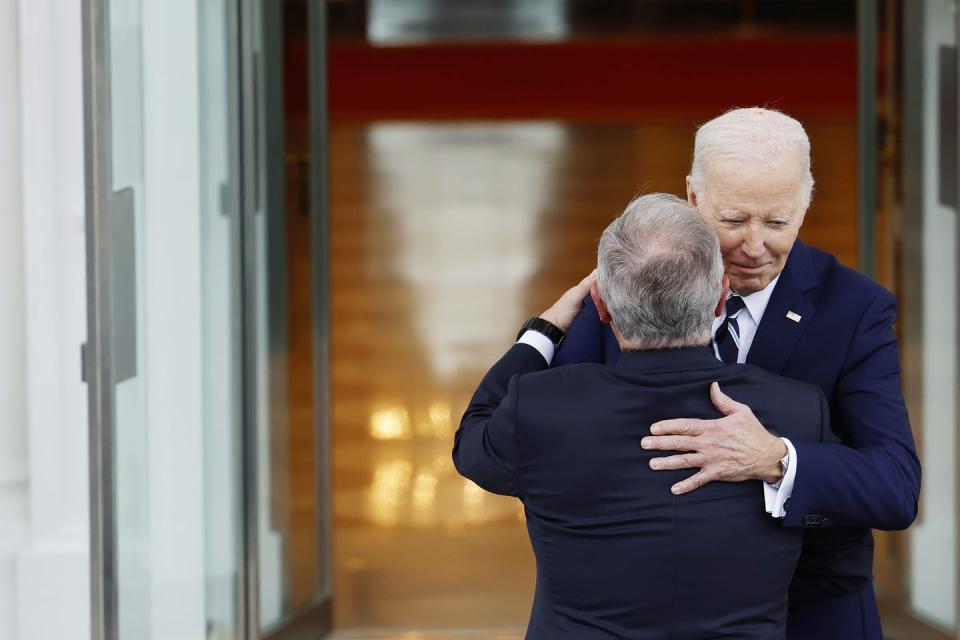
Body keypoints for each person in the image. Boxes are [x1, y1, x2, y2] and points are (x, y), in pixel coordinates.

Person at [551, 108, 921, 639]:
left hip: (808, 613)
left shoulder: (855, 310)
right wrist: (542, 332)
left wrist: (775, 460)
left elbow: (894, 487)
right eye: (733, 221)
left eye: (778, 222)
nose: (754, 246)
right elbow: (549, 425)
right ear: (693, 197)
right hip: (639, 612)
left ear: (806, 203)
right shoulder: (626, 282)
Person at [454, 193, 838, 638]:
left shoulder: (541, 407)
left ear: (600, 307)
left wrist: (545, 329)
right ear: (720, 298)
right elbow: (831, 554)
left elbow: (472, 445)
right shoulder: (796, 410)